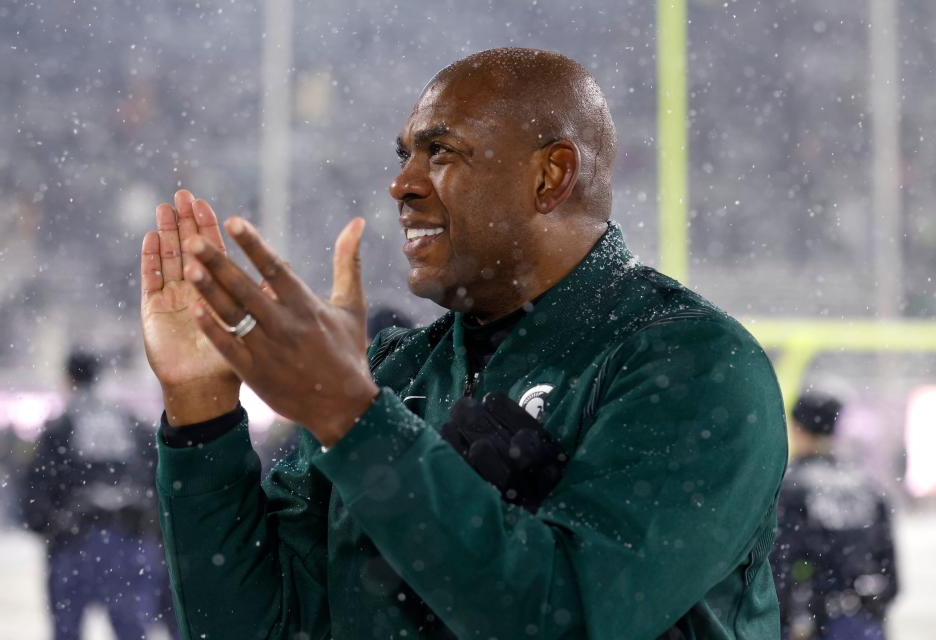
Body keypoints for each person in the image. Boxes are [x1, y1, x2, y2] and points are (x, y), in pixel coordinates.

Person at [140, 48, 788, 639]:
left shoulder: (693, 366)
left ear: (551, 176)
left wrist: (358, 423)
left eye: (441, 152)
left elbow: (570, 620)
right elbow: (259, 628)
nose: (404, 185)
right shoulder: (394, 373)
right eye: (404, 157)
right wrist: (201, 414)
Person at [20, 349, 173, 640]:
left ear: (68, 379)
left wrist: (46, 523)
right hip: (131, 537)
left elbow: (37, 484)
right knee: (131, 629)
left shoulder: (61, 425)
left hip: (75, 538)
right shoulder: (129, 420)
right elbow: (159, 472)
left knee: (67, 629)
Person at [770, 393, 899, 640]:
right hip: (864, 620)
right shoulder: (865, 486)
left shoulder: (790, 488)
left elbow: (779, 565)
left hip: (807, 623)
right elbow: (890, 570)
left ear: (797, 428)